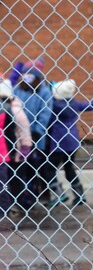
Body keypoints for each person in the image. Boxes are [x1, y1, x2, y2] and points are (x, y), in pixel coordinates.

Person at [42, 80, 93, 208]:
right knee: (69, 168)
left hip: (59, 142)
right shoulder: (73, 104)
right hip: (73, 141)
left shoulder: (54, 105)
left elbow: (46, 100)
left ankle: (59, 194)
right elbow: (91, 105)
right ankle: (79, 195)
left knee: (49, 169)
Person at [11, 63, 52, 211]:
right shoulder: (18, 89)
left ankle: (39, 195)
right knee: (21, 168)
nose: (26, 77)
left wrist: (36, 132)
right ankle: (23, 197)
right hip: (19, 137)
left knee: (37, 168)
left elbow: (45, 113)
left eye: (30, 74)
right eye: (24, 74)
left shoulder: (44, 92)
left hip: (36, 137)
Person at [0, 78, 31, 221]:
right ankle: (11, 205)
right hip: (10, 150)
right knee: (9, 180)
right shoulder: (9, 108)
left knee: (13, 179)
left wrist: (22, 149)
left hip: (15, 149)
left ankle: (13, 205)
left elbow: (17, 132)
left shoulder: (11, 110)